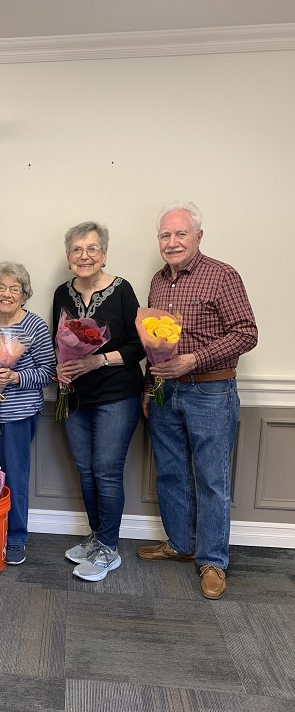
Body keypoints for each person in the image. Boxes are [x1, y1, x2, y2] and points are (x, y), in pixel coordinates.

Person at [137, 202, 257, 599]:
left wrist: (195, 358)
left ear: (198, 237)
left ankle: (212, 561)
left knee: (211, 478)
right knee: (171, 472)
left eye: (180, 234)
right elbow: (152, 343)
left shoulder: (222, 275)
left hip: (211, 389)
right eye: (165, 236)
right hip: (164, 392)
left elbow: (247, 333)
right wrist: (147, 388)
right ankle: (180, 544)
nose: (172, 242)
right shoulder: (157, 280)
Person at [53, 221, 145, 582]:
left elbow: (139, 346)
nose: (85, 256)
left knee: (107, 471)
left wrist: (98, 359)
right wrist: (61, 371)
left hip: (116, 395)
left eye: (92, 248)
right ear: (68, 256)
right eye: (77, 249)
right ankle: (95, 535)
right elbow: (58, 337)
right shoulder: (63, 291)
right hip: (75, 396)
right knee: (87, 470)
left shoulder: (122, 291)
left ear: (104, 253)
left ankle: (109, 547)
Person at [0, 262, 55, 565]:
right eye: (1, 287)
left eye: (14, 288)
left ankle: (16, 537)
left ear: (24, 294)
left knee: (15, 477)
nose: (6, 294)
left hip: (19, 416)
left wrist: (16, 378)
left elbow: (49, 372)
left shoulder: (35, 326)